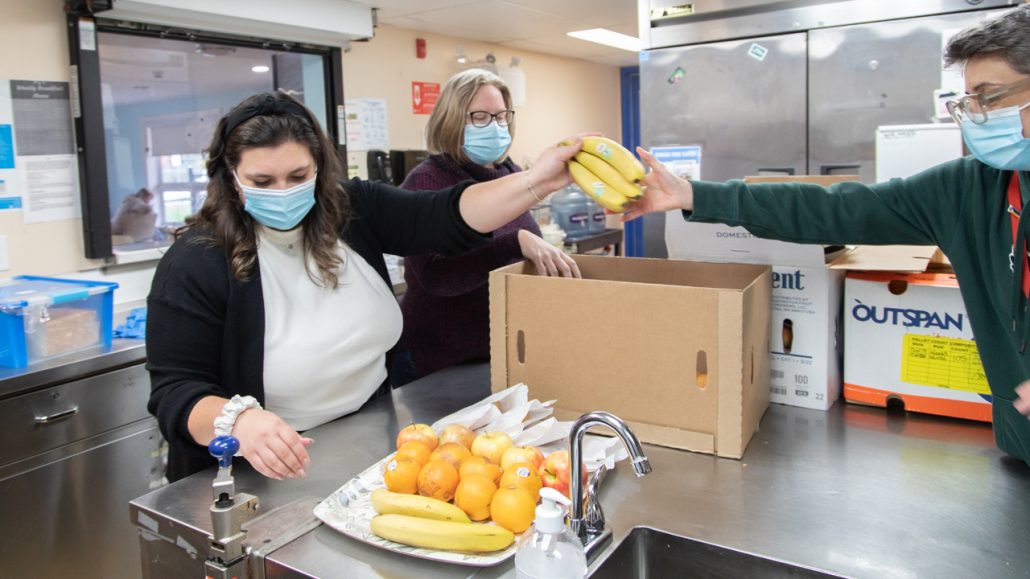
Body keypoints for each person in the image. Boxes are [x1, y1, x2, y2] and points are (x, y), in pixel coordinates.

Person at [624, 5, 1030, 467]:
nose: (975, 116)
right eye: (968, 102)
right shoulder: (968, 190)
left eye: (989, 97)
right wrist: (693, 195)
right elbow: (834, 209)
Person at [146, 91, 581, 482]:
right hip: (261, 471)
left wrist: (536, 181)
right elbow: (177, 392)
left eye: (299, 176)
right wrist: (237, 422)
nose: (283, 192)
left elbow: (444, 214)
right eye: (263, 182)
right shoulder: (196, 262)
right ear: (231, 177)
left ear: (319, 166)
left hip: (367, 442)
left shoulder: (351, 211)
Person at [394, 69, 580, 384]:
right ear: (451, 120)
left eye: (500, 116)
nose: (493, 126)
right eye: (478, 117)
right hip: (442, 361)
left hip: (501, 354)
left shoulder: (512, 175)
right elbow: (436, 277)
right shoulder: (427, 182)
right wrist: (514, 242)